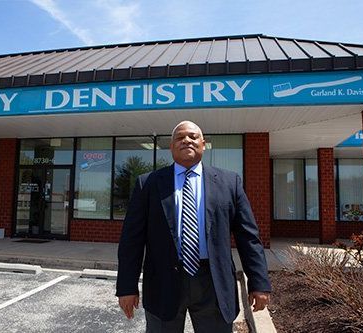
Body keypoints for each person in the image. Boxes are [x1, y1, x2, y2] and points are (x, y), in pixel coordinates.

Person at [116, 120, 271, 333]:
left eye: (192, 136)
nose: (186, 140)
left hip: (214, 283)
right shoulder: (148, 184)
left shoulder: (229, 182)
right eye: (179, 138)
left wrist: (259, 282)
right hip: (163, 282)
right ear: (171, 147)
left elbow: (248, 237)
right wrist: (126, 286)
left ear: (203, 144)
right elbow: (131, 240)